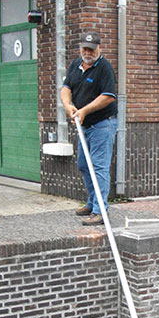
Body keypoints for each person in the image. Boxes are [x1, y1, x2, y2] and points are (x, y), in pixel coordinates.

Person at [60, 31, 117, 226]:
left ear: (99, 49)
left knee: (99, 167)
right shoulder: (76, 65)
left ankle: (100, 210)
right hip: (84, 126)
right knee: (84, 165)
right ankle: (92, 202)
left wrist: (84, 110)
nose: (88, 52)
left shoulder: (105, 68)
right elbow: (66, 88)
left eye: (92, 49)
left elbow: (108, 96)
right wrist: (68, 106)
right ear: (80, 48)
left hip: (103, 124)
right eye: (85, 48)